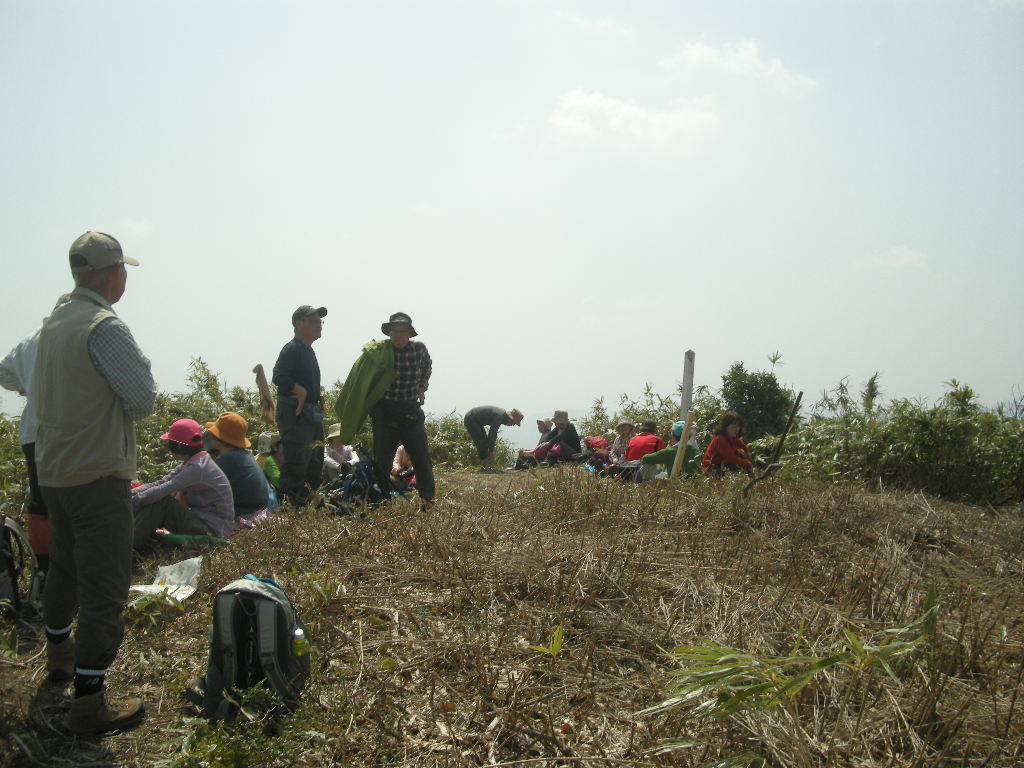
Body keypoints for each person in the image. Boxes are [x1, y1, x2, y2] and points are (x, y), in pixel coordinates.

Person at [32, 231, 155, 735]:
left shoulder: (54, 323)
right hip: (98, 473)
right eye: (123, 269)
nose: (125, 278)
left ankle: (58, 655)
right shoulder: (103, 326)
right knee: (104, 587)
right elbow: (143, 399)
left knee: (62, 567)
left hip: (55, 472)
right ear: (108, 273)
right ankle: (89, 701)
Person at [334, 312, 435, 504]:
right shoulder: (380, 352)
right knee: (382, 459)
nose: (398, 334)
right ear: (389, 332)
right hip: (385, 410)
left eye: (402, 331)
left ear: (410, 333)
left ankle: (427, 499)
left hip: (411, 410)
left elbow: (427, 367)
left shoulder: (419, 350)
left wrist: (422, 388)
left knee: (421, 457)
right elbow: (363, 376)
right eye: (394, 330)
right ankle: (380, 499)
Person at [131, 419, 234, 548]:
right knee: (154, 499)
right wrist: (130, 494)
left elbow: (164, 489)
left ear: (179, 446)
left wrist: (133, 502)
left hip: (212, 533)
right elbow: (162, 482)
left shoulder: (198, 468)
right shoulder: (194, 462)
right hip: (203, 524)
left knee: (162, 502)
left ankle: (124, 546)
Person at [272, 305, 327, 506]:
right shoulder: (292, 348)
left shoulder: (308, 350)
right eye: (313, 320)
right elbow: (278, 376)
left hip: (311, 414)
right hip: (295, 413)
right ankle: (292, 509)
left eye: (320, 321)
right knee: (296, 462)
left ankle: (308, 505)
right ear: (299, 323)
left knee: (315, 460)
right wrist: (300, 391)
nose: (319, 325)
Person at [205, 412, 269, 518]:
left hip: (241, 518)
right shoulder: (245, 455)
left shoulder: (227, 459)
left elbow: (203, 489)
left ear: (218, 441)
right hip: (257, 515)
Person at [463, 406, 523, 473]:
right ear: (510, 419)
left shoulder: (502, 415)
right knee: (482, 441)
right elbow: (492, 433)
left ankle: (487, 466)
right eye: (514, 423)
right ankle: (486, 467)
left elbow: (492, 434)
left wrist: (490, 449)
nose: (513, 425)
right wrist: (491, 451)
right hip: (471, 419)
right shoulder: (499, 417)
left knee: (483, 440)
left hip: (474, 419)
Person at [702, 411, 754, 476]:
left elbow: (743, 447)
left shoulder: (733, 439)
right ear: (726, 426)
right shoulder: (720, 439)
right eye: (734, 425)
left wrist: (747, 453)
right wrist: (747, 463)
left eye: (738, 426)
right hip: (712, 470)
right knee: (736, 466)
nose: (736, 429)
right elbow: (730, 458)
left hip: (722, 468)